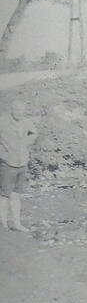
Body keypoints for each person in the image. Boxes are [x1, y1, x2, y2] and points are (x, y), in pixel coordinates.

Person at [0, 99, 37, 231]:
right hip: (8, 164)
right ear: (11, 110)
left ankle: (17, 224)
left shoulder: (26, 122)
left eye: (22, 110)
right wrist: (3, 153)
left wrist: (26, 144)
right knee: (4, 195)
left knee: (16, 194)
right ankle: (3, 224)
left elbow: (34, 133)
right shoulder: (3, 122)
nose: (19, 113)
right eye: (17, 110)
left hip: (22, 163)